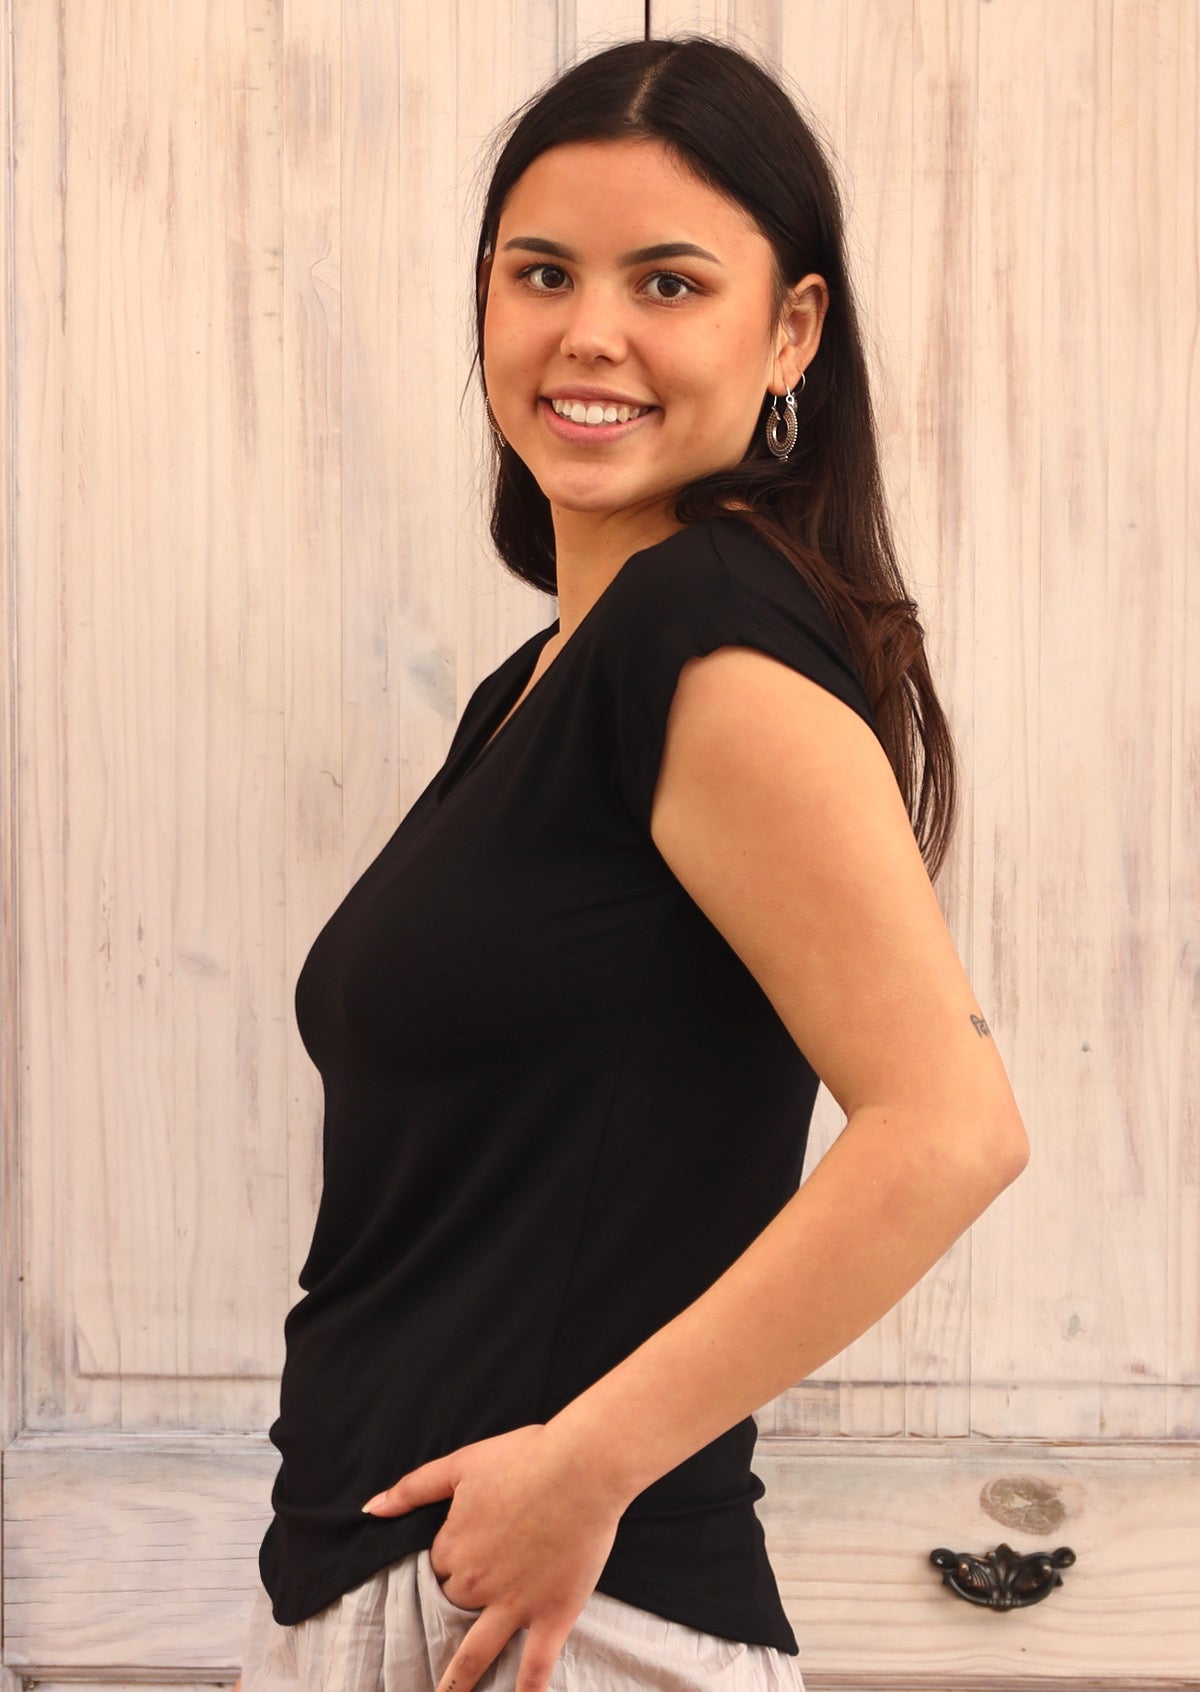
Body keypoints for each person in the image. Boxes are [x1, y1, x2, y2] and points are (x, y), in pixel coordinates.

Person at [233, 34, 1029, 1692]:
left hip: (557, 1619)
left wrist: (586, 1467)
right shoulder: (541, 682)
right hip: (404, 1585)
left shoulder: (707, 633)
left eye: (669, 283)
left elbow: (950, 1128)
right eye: (543, 273)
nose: (589, 333)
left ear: (789, 331)